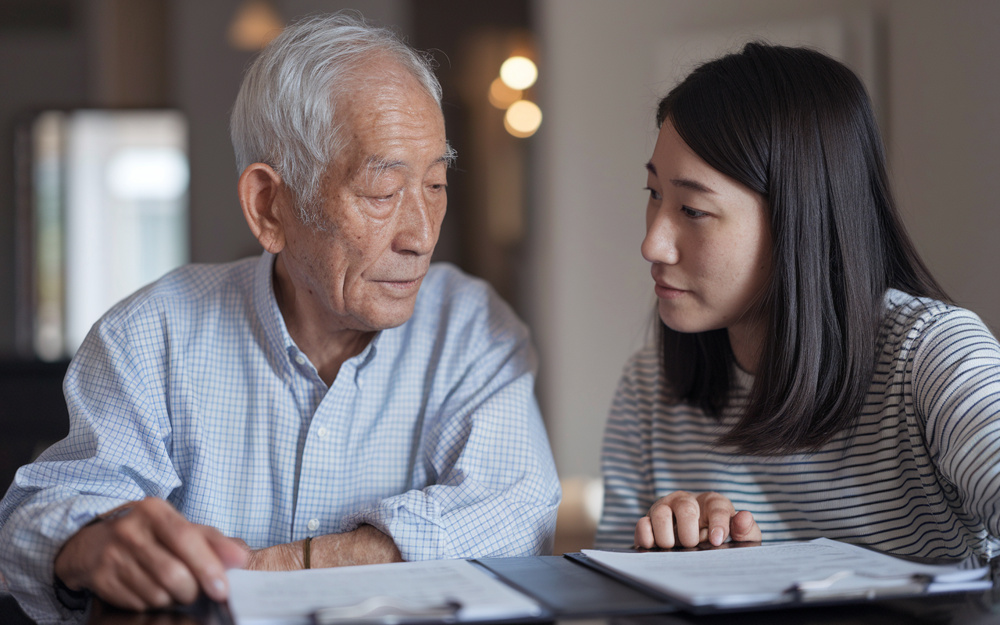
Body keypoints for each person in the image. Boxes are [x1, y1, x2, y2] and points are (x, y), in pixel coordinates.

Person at [0, 13, 560, 623]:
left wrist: (281, 568)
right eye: (381, 193)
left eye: (434, 184)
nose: (421, 236)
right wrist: (88, 543)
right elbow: (40, 511)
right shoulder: (151, 335)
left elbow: (518, 509)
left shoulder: (472, 327)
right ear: (270, 206)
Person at [596, 42, 1000, 561]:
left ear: (800, 219)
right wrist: (664, 562)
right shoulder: (648, 386)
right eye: (654, 194)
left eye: (693, 209)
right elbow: (610, 598)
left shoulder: (932, 357)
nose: (652, 243)